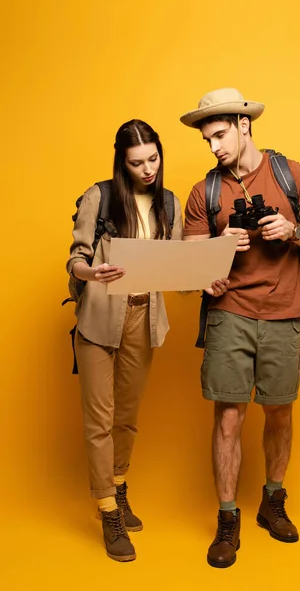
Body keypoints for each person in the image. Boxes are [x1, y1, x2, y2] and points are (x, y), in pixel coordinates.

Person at [181, 88, 300, 568]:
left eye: (220, 135)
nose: (214, 148)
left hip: (285, 309)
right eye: (207, 140)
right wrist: (215, 251)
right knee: (228, 415)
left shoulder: (291, 173)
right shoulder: (203, 192)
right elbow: (187, 270)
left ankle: (272, 500)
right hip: (230, 312)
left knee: (280, 412)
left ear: (245, 126)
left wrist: (291, 231)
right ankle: (228, 518)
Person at [66, 119, 183, 562]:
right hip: (99, 316)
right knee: (100, 418)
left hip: (145, 316)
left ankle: (119, 485)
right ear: (122, 161)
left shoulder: (167, 202)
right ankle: (107, 509)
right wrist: (91, 271)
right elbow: (75, 258)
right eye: (137, 162)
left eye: (153, 158)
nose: (148, 168)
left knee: (127, 416)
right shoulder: (100, 196)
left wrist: (206, 273)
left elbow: (174, 267)